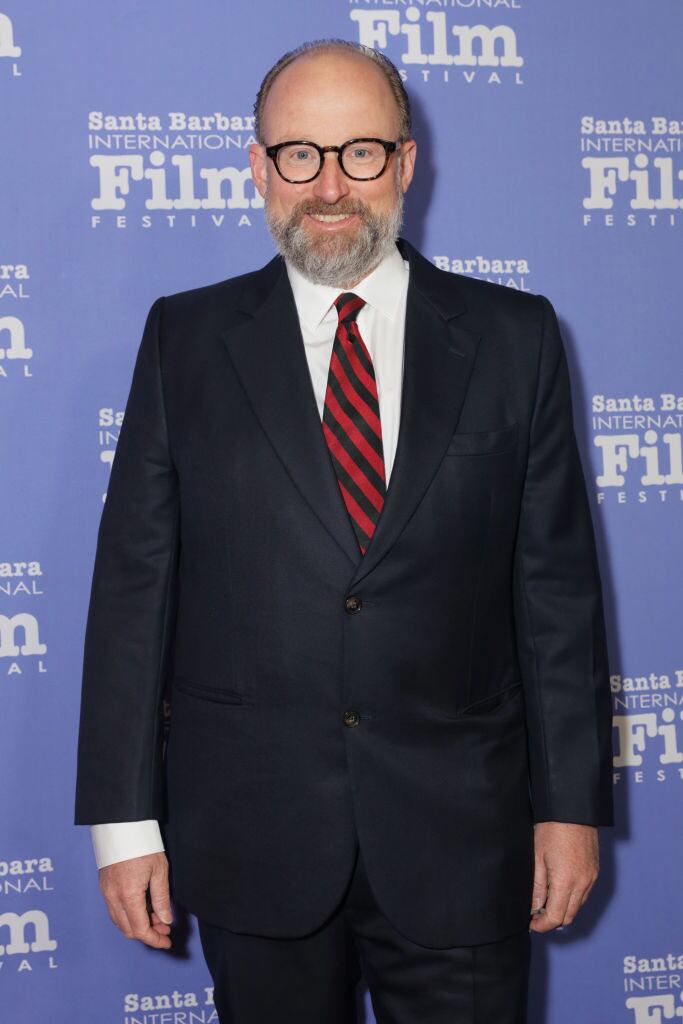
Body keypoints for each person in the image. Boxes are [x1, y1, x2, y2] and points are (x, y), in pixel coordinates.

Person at [75, 38, 614, 1024]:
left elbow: (554, 598)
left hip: (461, 841)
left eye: (359, 153)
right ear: (256, 166)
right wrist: (122, 823)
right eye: (298, 154)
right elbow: (132, 594)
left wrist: (568, 807)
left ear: (405, 163)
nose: (329, 185)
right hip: (253, 835)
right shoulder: (184, 341)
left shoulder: (514, 338)